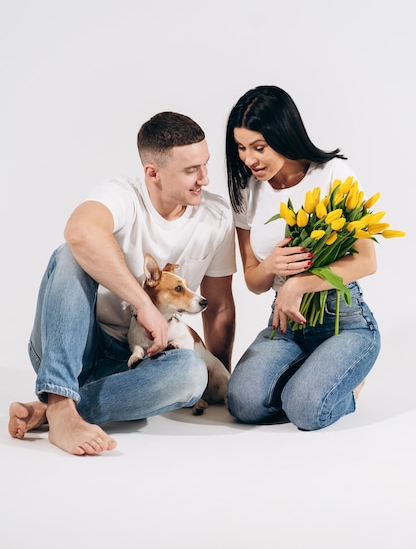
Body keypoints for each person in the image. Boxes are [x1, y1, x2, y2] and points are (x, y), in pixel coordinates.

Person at [9, 111, 236, 455]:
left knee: (191, 373)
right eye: (191, 170)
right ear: (153, 173)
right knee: (70, 253)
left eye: (205, 165)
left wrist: (218, 379)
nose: (204, 179)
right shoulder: (122, 195)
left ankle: (56, 410)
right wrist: (144, 304)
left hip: (138, 366)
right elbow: (80, 232)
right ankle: (59, 396)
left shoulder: (216, 216)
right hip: (75, 347)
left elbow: (218, 307)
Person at [225, 85, 380, 431]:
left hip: (343, 319)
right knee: (243, 404)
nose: (249, 159)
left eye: (259, 147)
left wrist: (299, 284)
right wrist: (269, 267)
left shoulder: (332, 175)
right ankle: (312, 375)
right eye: (241, 147)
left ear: (284, 134)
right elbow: (252, 281)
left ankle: (347, 388)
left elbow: (366, 260)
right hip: (285, 326)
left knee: (306, 412)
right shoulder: (246, 190)